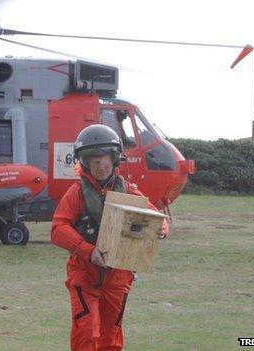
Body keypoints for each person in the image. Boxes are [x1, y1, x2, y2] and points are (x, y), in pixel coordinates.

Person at [51, 125, 169, 350]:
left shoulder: (128, 191)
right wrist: (88, 251)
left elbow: (153, 214)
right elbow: (58, 229)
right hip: (83, 272)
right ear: (84, 162)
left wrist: (162, 226)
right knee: (86, 332)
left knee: (111, 336)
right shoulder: (76, 193)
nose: (100, 165)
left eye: (104, 159)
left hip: (118, 274)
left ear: (114, 159)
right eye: (93, 160)